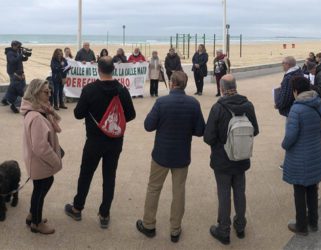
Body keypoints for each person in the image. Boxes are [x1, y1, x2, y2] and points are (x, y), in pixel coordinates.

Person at [64, 56, 136, 229]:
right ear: (114, 69)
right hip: (115, 141)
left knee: (86, 174)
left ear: (98, 69)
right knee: (109, 176)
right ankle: (104, 214)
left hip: (94, 140)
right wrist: (115, 119)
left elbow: (78, 114)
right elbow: (131, 115)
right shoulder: (122, 90)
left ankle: (77, 208)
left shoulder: (90, 89)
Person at [136, 71, 205, 243]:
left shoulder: (161, 102)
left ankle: (149, 224)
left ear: (172, 83)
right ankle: (175, 229)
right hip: (181, 155)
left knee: (153, 189)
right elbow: (200, 131)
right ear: (184, 84)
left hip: (161, 154)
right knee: (179, 191)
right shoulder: (193, 103)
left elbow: (148, 126)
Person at [203, 74, 259, 245]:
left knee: (224, 193)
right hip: (241, 158)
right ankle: (240, 226)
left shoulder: (217, 108)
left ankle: (224, 229)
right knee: (240, 192)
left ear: (221, 88)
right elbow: (255, 130)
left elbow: (208, 137)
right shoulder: (248, 105)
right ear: (235, 86)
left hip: (222, 159)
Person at [282, 76, 321, 236]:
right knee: (312, 190)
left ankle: (301, 225)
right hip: (315, 153)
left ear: (295, 91)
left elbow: (290, 137)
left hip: (300, 158)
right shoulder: (317, 103)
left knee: (300, 191)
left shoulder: (297, 109)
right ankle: (313, 222)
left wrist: (284, 145)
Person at [20, 79, 63, 234]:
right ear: (36, 93)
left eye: (50, 91)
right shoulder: (37, 116)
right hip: (39, 161)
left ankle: (32, 216)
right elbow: (41, 147)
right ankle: (36, 223)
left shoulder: (38, 110)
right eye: (46, 92)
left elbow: (56, 123)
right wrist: (56, 161)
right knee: (42, 188)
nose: (50, 94)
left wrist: (49, 111)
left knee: (40, 188)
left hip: (36, 160)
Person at [2, 40, 29, 113]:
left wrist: (26, 55)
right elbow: (13, 61)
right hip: (13, 72)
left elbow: (21, 60)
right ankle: (14, 104)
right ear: (13, 46)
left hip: (19, 71)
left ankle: (5, 99)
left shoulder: (17, 51)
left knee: (13, 86)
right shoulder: (9, 53)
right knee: (17, 87)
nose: (19, 48)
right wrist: (21, 54)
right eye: (18, 46)